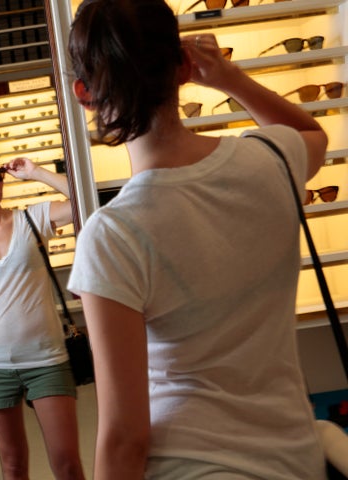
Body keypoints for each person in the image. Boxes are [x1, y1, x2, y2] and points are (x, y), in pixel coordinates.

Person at [66, 0, 330, 479]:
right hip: (294, 458)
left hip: (189, 466)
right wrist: (229, 78)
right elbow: (309, 132)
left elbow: (126, 435)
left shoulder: (113, 235)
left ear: (84, 93)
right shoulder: (271, 159)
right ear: (183, 66)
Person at [0, 150, 86, 480]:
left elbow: (84, 200)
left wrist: (36, 172)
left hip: (47, 360)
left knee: (67, 463)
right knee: (13, 468)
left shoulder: (32, 219)